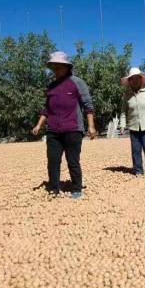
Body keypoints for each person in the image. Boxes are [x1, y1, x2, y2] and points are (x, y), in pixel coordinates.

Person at [32, 51, 96, 199]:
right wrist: (38, 125)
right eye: (53, 67)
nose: (56, 70)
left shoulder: (77, 82)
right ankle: (54, 188)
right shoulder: (51, 86)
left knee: (72, 160)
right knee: (53, 160)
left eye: (59, 67)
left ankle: (76, 188)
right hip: (53, 130)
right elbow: (46, 109)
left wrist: (91, 126)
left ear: (67, 67)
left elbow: (88, 105)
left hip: (73, 129)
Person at [119, 67, 145, 175]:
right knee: (135, 149)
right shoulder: (127, 95)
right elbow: (123, 112)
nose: (135, 81)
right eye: (132, 79)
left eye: (136, 78)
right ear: (129, 81)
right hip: (133, 126)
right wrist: (122, 125)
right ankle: (138, 170)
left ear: (141, 79)